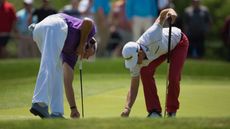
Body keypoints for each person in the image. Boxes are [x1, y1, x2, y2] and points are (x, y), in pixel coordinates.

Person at [120, 8, 189, 118]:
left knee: (173, 77)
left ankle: (172, 111)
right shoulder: (135, 61)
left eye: (135, 60)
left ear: (140, 52)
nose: (135, 63)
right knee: (145, 72)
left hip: (178, 43)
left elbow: (162, 16)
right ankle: (154, 111)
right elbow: (134, 86)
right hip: (161, 50)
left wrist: (171, 12)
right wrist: (127, 108)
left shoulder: (152, 35)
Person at [29, 13, 97, 119]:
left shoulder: (72, 54)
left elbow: (67, 81)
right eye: (89, 55)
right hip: (55, 25)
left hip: (40, 30)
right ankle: (39, 102)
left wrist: (73, 108)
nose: (86, 58)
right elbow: (88, 21)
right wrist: (82, 44)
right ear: (91, 44)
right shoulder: (89, 33)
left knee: (57, 70)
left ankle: (57, 112)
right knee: (49, 63)